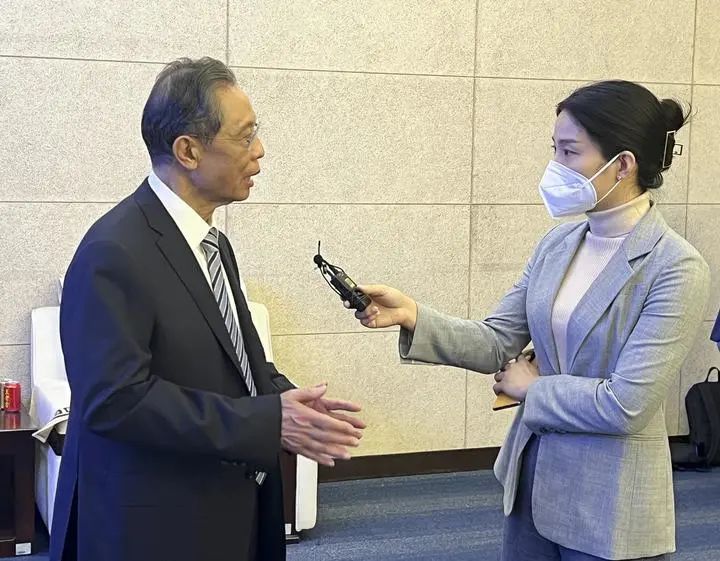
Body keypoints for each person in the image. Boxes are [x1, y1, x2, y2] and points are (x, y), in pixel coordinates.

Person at [350, 80, 710, 560]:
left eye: (569, 152)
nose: (554, 166)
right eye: (554, 149)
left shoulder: (675, 267)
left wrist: (532, 389)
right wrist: (412, 314)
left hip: (609, 502)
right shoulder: (558, 244)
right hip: (532, 479)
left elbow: (627, 404)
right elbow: (496, 341)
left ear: (623, 165)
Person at [50, 57, 366, 561]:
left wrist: (287, 400)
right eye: (245, 136)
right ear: (188, 151)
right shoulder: (113, 252)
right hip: (154, 526)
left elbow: (239, 359)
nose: (260, 150)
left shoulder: (212, 244)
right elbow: (115, 401)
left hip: (227, 507)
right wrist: (265, 421)